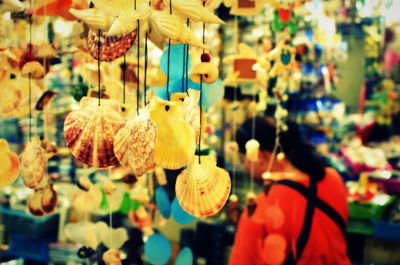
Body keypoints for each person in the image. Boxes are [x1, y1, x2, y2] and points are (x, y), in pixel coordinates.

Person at [228, 117, 351, 265]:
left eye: (243, 161)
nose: (244, 167)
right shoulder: (333, 179)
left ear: (258, 156)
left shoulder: (258, 210)